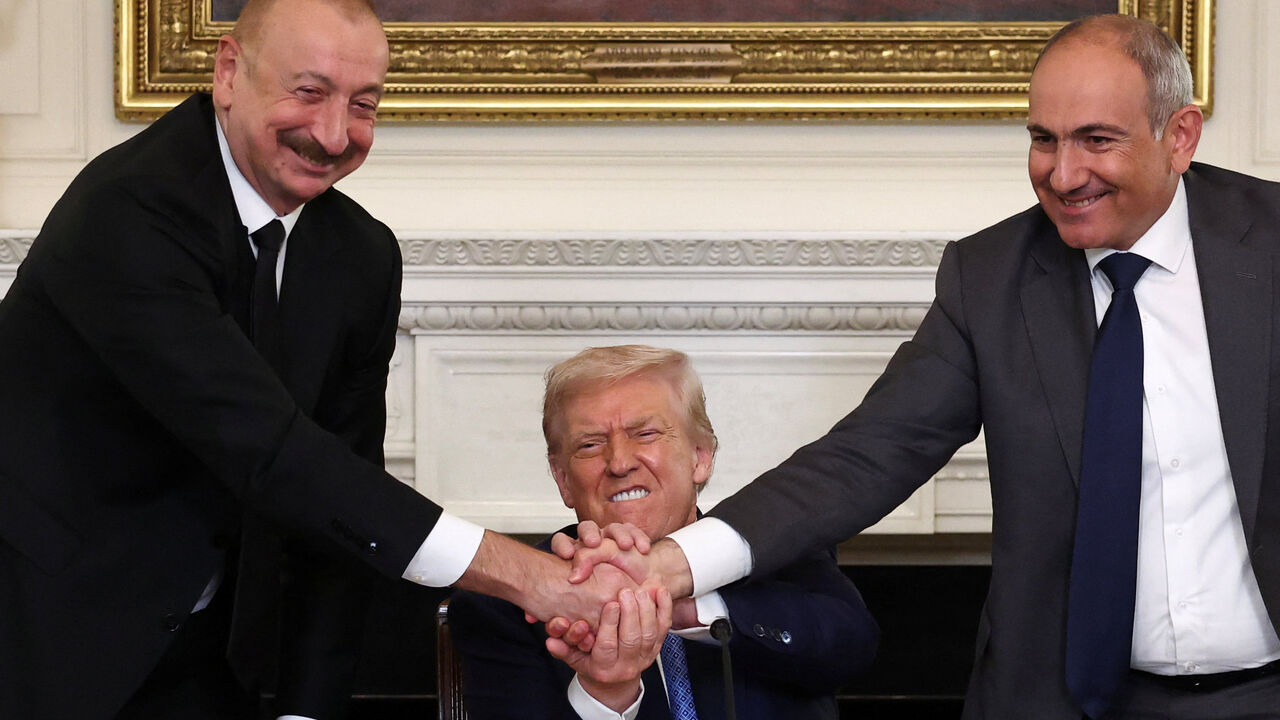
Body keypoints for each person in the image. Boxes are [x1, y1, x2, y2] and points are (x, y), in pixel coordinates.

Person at [557, 14, 1280, 720]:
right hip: (1060, 698)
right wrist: (668, 565)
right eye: (1042, 140)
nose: (1063, 174)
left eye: (1097, 141)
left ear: (1178, 136)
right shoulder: (991, 277)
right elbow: (866, 457)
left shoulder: (1269, 246)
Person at [0, 1, 633, 719]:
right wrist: (530, 577)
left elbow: (340, 497)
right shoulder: (126, 212)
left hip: (201, 661)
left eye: (363, 105)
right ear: (230, 72)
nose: (333, 134)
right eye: (309, 92)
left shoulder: (360, 256)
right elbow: (274, 451)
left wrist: (307, 711)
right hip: (33, 639)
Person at [449, 345, 879, 719]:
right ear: (563, 479)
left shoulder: (777, 548)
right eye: (590, 444)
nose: (619, 463)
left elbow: (852, 652)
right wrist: (607, 692)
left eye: (646, 434)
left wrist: (688, 609)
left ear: (700, 457)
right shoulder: (507, 606)